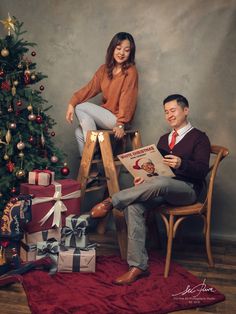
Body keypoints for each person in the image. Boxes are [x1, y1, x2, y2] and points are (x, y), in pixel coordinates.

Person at [90, 94, 211, 285]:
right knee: (133, 206)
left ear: (185, 110)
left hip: (187, 191)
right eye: (166, 112)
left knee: (161, 183)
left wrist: (182, 163)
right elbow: (157, 171)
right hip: (161, 189)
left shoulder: (199, 138)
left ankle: (111, 201)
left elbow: (203, 170)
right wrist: (145, 179)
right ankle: (138, 266)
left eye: (173, 110)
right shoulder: (164, 139)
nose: (169, 115)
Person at [65, 32, 138, 157]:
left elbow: (128, 99)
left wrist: (121, 123)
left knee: (80, 107)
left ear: (130, 53)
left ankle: (93, 146)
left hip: (117, 119)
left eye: (126, 50)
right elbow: (90, 88)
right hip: (106, 118)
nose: (121, 53)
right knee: (79, 132)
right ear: (112, 49)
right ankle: (93, 173)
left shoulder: (130, 72)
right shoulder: (104, 70)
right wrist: (72, 102)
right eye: (118, 48)